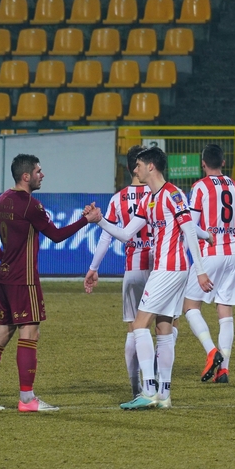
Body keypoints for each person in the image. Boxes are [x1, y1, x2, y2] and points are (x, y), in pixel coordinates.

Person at [87, 146, 213, 410]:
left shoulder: (172, 194)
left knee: (139, 325)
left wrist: (200, 270)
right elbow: (125, 234)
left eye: (139, 165)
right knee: (163, 328)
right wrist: (100, 221)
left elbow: (189, 231)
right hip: (168, 269)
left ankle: (148, 390)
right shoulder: (149, 200)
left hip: (169, 269)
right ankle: (164, 394)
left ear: (151, 166)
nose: (135, 170)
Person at [0, 154, 95, 413]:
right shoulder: (30, 206)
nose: (42, 175)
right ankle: (27, 399)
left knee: (2, 332)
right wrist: (86, 220)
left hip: (5, 276)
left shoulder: (2, 199)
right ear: (26, 176)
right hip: (24, 280)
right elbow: (56, 235)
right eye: (38, 171)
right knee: (30, 332)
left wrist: (2, 256)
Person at [182, 144, 235, 385]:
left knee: (190, 306)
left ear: (203, 164)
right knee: (225, 312)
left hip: (209, 254)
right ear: (224, 162)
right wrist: (231, 237)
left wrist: (208, 239)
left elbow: (190, 226)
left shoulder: (199, 187)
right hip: (233, 255)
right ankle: (223, 370)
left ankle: (211, 351)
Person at [84, 146, 153, 399]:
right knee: (166, 325)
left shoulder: (119, 198)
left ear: (128, 167)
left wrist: (93, 268)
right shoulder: (158, 193)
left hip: (133, 268)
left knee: (134, 328)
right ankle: (158, 384)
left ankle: (136, 388)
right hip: (160, 267)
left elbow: (106, 236)